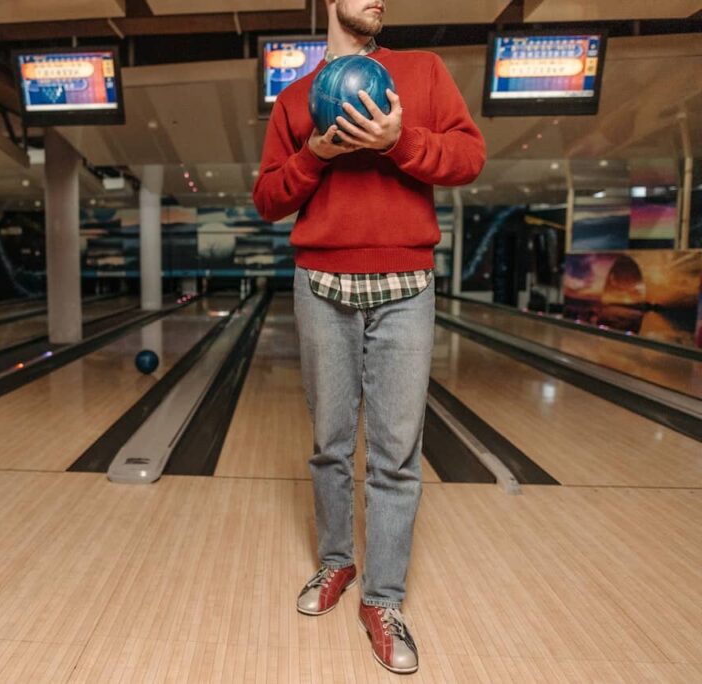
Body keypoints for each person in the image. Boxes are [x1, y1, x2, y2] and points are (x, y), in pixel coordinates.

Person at [253, 0, 485, 674]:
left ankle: (383, 600)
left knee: (395, 454)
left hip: (406, 286)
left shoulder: (423, 71)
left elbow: (469, 158)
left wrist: (397, 142)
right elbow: (268, 198)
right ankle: (335, 565)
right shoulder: (296, 99)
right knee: (329, 445)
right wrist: (316, 154)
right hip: (322, 284)